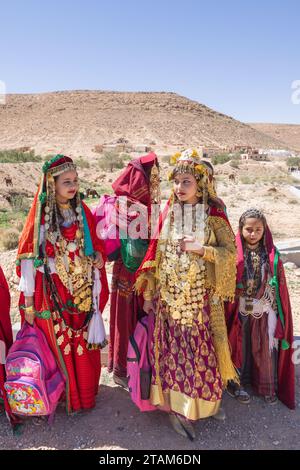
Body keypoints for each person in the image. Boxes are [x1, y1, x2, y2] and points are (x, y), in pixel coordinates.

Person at [135, 149, 238, 440]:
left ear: (201, 184)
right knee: (172, 356)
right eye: (176, 182)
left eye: (186, 182)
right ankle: (176, 409)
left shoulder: (214, 215)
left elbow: (230, 254)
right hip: (169, 302)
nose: (179, 188)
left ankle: (206, 403)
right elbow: (156, 254)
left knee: (202, 354)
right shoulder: (168, 212)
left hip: (200, 302)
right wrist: (149, 294)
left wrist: (200, 249)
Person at [16, 154, 109, 414]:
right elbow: (27, 258)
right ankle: (61, 395)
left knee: (81, 340)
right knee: (57, 340)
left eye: (76, 180)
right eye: (66, 181)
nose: (73, 185)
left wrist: (98, 257)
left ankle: (85, 394)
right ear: (51, 184)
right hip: (53, 291)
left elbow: (96, 246)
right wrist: (31, 304)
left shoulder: (82, 211)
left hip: (80, 290)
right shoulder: (41, 219)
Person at [225, 208, 295, 409]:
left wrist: (266, 299)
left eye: (258, 229)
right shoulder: (233, 253)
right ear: (241, 229)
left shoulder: (271, 255)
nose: (253, 234)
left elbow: (277, 285)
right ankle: (237, 385)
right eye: (249, 229)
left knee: (263, 346)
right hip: (240, 310)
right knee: (240, 345)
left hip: (263, 309)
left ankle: (266, 387)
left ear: (265, 230)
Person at [104, 152, 160, 388]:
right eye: (153, 175)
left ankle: (124, 368)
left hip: (125, 271)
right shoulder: (136, 207)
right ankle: (130, 369)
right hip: (136, 271)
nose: (156, 181)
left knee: (126, 317)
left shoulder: (121, 201)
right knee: (132, 318)